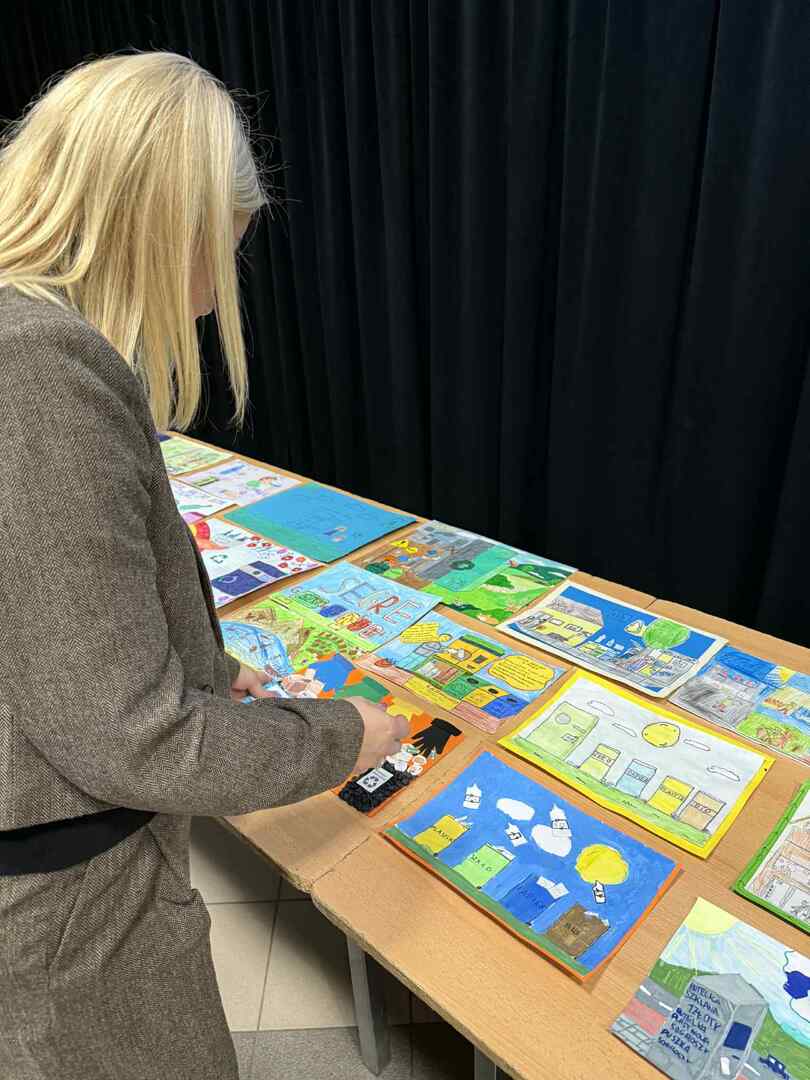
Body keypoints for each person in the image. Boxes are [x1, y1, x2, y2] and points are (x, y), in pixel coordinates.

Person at [0, 51, 408, 1080]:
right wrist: (341, 735)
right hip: (63, 918)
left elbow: (42, 615)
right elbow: (128, 740)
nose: (200, 305)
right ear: (166, 226)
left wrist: (208, 669)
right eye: (217, 258)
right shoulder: (38, 367)